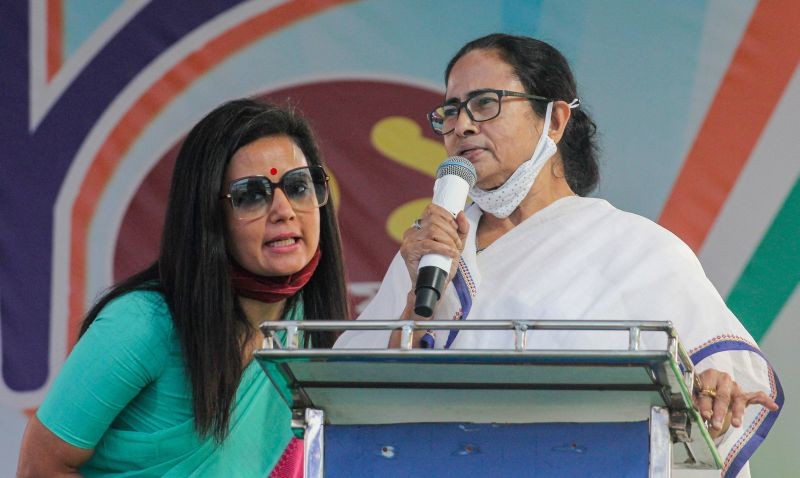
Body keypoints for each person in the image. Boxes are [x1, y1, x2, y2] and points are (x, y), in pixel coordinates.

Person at [334, 33, 782, 477]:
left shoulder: (639, 250)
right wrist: (416, 303)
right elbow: (346, 397)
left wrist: (711, 392)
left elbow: (714, 392)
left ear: (554, 119)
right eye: (450, 111)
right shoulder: (428, 249)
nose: (462, 125)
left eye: (485, 103)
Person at [17, 98, 349, 477]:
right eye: (252, 194)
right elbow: (37, 467)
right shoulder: (142, 324)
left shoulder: (305, 326)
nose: (284, 210)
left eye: (298, 186)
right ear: (208, 214)